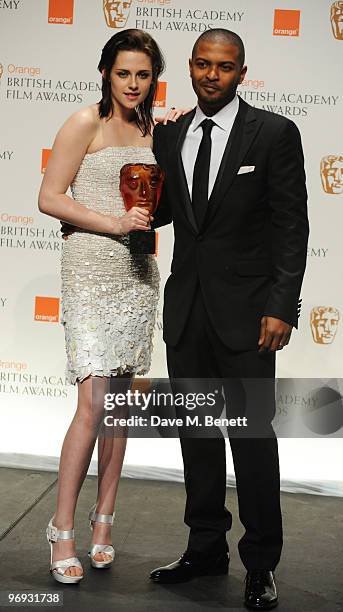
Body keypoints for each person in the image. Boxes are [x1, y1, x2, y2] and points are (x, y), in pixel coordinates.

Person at [149, 29, 309, 610]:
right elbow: (166, 212)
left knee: (251, 441)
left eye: (224, 66)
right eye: (201, 64)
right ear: (189, 68)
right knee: (196, 437)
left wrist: (280, 306)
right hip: (186, 312)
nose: (211, 75)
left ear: (242, 72)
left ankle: (261, 563)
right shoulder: (169, 135)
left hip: (250, 317)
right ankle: (205, 547)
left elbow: (293, 227)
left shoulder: (273, 134)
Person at [38, 29, 182, 585]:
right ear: (105, 72)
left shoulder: (153, 129)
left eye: (143, 74)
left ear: (153, 79)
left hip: (138, 272)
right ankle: (61, 527)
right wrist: (113, 222)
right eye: (123, 73)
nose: (133, 84)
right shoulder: (84, 123)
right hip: (91, 271)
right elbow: (50, 197)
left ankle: (103, 523)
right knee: (93, 403)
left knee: (120, 405)